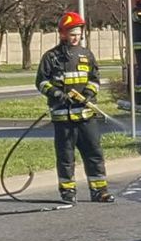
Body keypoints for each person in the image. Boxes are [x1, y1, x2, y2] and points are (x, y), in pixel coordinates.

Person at [35, 11, 114, 203]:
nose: (76, 37)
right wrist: (57, 94)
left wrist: (88, 94)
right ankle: (68, 192)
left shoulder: (87, 55)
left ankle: (99, 191)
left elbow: (95, 79)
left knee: (94, 153)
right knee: (65, 157)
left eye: (78, 33)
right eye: (72, 33)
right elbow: (41, 82)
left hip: (86, 116)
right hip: (63, 117)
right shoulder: (51, 57)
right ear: (62, 33)